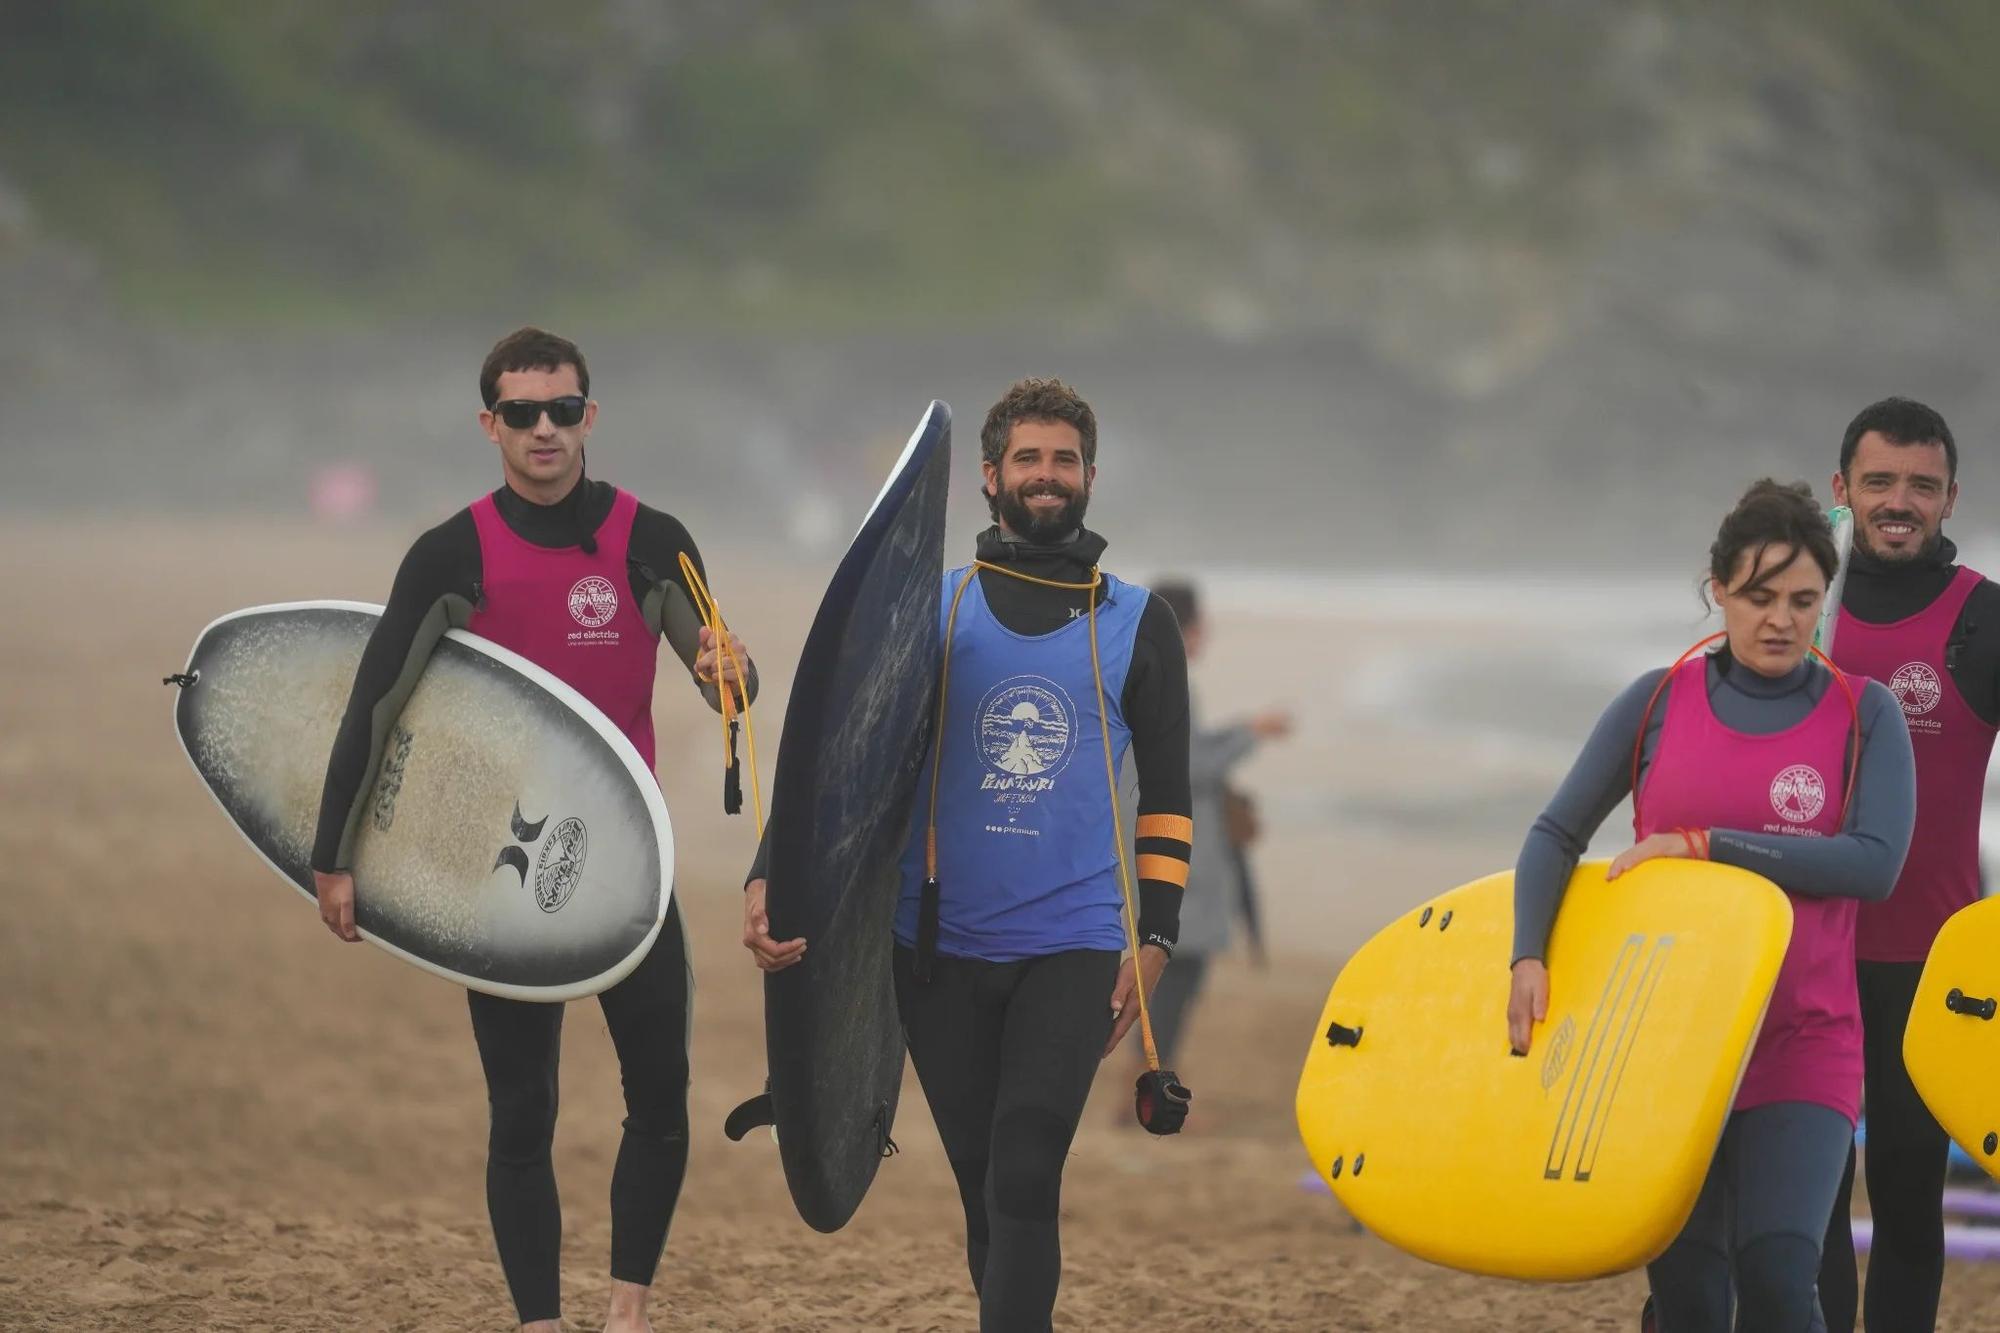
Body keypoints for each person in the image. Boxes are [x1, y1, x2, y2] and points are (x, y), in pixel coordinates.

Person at [310, 327, 756, 1333]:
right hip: (498, 875)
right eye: (522, 412)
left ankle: (625, 1308)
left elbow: (721, 673)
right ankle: (539, 1322)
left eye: (562, 409)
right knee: (521, 1112)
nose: (543, 429)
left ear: (589, 415)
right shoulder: (449, 553)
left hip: (629, 870)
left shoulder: (654, 538)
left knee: (660, 1095)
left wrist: (736, 673)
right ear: (490, 425)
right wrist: (332, 857)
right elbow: (374, 707)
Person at [743, 377, 1194, 1332]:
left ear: (1090, 478)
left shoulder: (1137, 622)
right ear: (989, 477)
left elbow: (1169, 796)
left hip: (1070, 946)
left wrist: (1155, 939)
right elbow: (841, 756)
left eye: (1063, 460)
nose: (1046, 476)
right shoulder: (933, 616)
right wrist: (767, 874)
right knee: (985, 1181)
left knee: (1029, 1165)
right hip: (936, 947)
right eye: (1027, 459)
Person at [1507, 479, 1915, 1332]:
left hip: (1805, 1036)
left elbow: (1874, 865)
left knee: (1775, 1269)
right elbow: (1554, 833)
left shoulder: (1864, 713)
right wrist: (1528, 958)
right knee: (1691, 1295)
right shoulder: (1658, 701)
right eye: (1759, 595)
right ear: (1718, 589)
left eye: (1804, 600)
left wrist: (1708, 843)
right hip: (1668, 1042)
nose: (1782, 619)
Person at [1819, 398, 1997, 1333]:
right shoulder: (1804, 609)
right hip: (1801, 947)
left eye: (1922, 485)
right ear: (1841, 490)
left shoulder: (1987, 617)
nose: (1901, 501)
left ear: (1950, 496)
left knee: (1906, 1193)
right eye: (1880, 481)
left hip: (1926, 962)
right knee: (1802, 1196)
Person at [1122, 579, 1290, 1068]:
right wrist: (1250, 732)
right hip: (1171, 841)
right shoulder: (1167, 677)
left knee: (1166, 967)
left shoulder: (1135, 671)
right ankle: (1148, 1077)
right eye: (1199, 626)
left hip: (1147, 833)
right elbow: (1191, 763)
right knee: (1175, 966)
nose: (1205, 636)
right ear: (1183, 628)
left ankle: (1146, 1073)